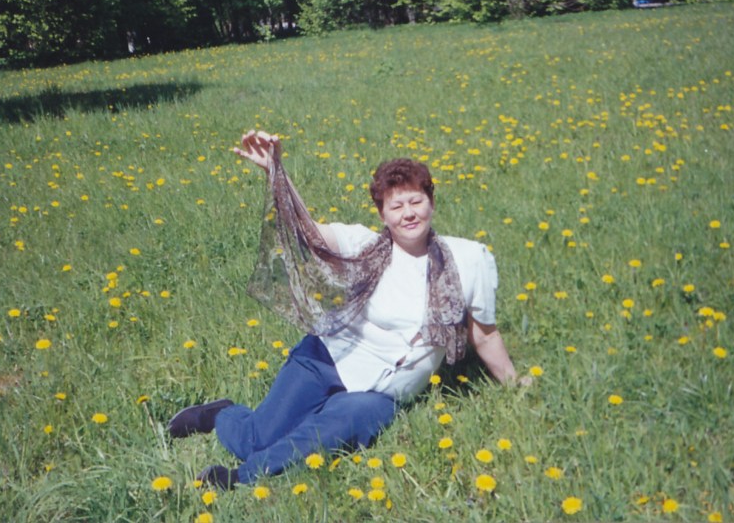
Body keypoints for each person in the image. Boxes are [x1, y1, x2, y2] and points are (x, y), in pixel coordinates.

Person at [168, 130, 524, 489]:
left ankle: (240, 478)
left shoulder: (469, 259)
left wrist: (512, 383)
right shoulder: (362, 246)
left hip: (380, 392)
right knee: (254, 439)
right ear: (382, 214)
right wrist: (276, 172)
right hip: (326, 359)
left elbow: (484, 334)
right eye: (396, 206)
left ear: (431, 202)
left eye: (416, 201)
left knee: (335, 428)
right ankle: (221, 414)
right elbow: (306, 231)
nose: (408, 214)